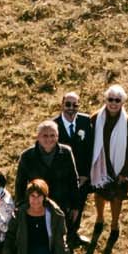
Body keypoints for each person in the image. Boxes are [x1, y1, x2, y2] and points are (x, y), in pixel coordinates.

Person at [84, 85, 128, 240]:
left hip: (120, 167)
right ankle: (100, 218)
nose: (113, 103)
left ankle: (114, 224)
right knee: (99, 193)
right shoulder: (95, 118)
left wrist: (125, 172)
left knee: (117, 197)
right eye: (110, 99)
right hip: (101, 164)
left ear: (122, 102)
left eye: (117, 100)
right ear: (105, 99)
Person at [14, 121, 82, 233]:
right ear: (38, 137)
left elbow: (73, 180)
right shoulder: (27, 156)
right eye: (45, 135)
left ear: (57, 136)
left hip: (62, 206)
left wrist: (75, 206)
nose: (49, 139)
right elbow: (20, 185)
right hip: (36, 206)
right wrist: (20, 208)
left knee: (60, 239)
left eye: (52, 135)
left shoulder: (66, 153)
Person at [54, 91, 95, 224]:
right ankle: (62, 236)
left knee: (79, 205)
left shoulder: (85, 121)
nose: (71, 108)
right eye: (68, 104)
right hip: (62, 176)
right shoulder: (54, 125)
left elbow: (90, 149)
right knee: (63, 207)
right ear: (62, 105)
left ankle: (75, 233)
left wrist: (85, 174)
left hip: (81, 176)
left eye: (75, 105)